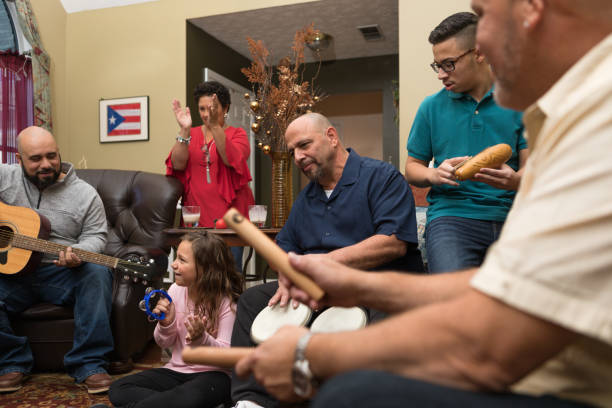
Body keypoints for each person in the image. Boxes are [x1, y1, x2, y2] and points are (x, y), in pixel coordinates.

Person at [234, 1, 612, 407]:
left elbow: (495, 340)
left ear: (532, 9)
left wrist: (311, 352)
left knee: (350, 394)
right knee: (259, 302)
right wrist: (350, 281)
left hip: (566, 388)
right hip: (465, 251)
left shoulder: (596, 122)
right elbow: (500, 290)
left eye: (482, 15)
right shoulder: (566, 114)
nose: (479, 43)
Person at [231, 112, 424, 408]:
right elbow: (284, 250)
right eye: (293, 150)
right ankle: (251, 401)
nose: (297, 156)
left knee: (387, 311)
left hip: (372, 284)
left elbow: (393, 242)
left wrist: (325, 265)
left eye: (304, 145)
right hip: (313, 287)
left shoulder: (381, 177)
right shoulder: (306, 199)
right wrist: (286, 272)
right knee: (252, 300)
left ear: (332, 137)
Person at [404, 12, 529, 273]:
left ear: (479, 53)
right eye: (436, 65)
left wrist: (515, 180)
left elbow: (533, 171)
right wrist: (434, 174)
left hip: (512, 217)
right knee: (452, 299)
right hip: (451, 217)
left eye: (448, 64)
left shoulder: (519, 100)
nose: (440, 74)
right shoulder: (430, 108)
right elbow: (412, 168)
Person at [0, 126, 113, 393]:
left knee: (98, 271)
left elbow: (97, 236)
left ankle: (90, 364)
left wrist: (79, 252)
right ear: (19, 159)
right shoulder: (5, 177)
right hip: (11, 274)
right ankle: (10, 362)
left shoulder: (85, 194)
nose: (46, 164)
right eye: (36, 159)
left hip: (61, 273)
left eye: (51, 156)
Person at [109, 231, 243, 408]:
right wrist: (166, 323)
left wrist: (202, 338)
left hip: (214, 376)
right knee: (119, 388)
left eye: (182, 260)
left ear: (205, 268)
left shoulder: (227, 301)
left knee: (190, 397)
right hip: (176, 371)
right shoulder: (175, 290)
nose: (173, 265)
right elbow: (163, 343)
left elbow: (227, 356)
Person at [166, 80, 255, 270]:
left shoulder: (237, 134)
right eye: (202, 109)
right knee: (194, 277)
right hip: (195, 221)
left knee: (229, 279)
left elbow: (230, 159)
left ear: (226, 108)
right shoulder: (192, 133)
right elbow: (177, 164)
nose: (206, 114)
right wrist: (184, 130)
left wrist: (215, 126)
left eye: (212, 109)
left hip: (230, 222)